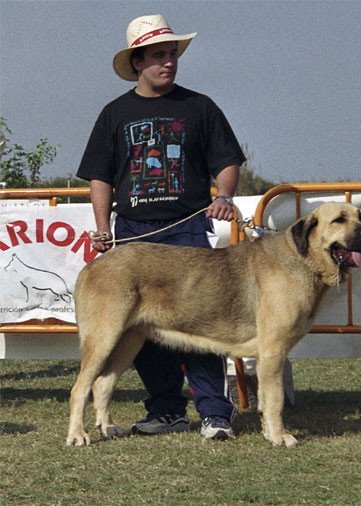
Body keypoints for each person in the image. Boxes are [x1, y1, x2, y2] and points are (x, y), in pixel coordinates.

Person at [77, 14, 246, 440]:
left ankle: (215, 414)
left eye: (172, 54)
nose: (168, 62)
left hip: (187, 229)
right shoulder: (114, 113)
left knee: (205, 323)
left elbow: (226, 160)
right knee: (140, 331)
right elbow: (101, 175)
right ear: (138, 62)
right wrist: (103, 227)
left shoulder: (200, 107)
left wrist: (223, 196)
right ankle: (168, 409)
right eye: (158, 56)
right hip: (135, 231)